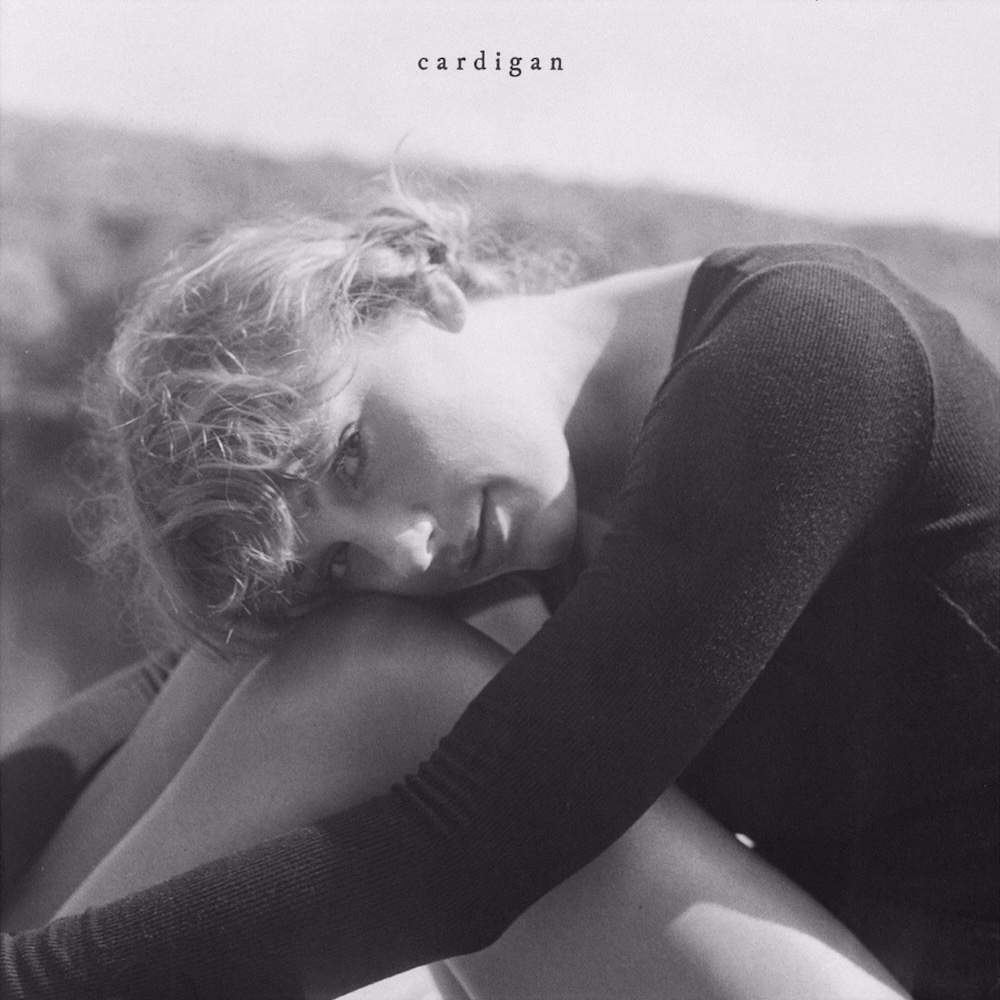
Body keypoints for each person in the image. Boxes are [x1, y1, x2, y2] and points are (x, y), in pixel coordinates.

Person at [1, 183, 997, 999]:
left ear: (418, 292)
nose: (406, 548)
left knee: (375, 680)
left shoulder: (810, 355)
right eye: (341, 553)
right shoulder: (497, 501)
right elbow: (160, 691)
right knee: (300, 628)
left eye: (349, 457)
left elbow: (482, 842)